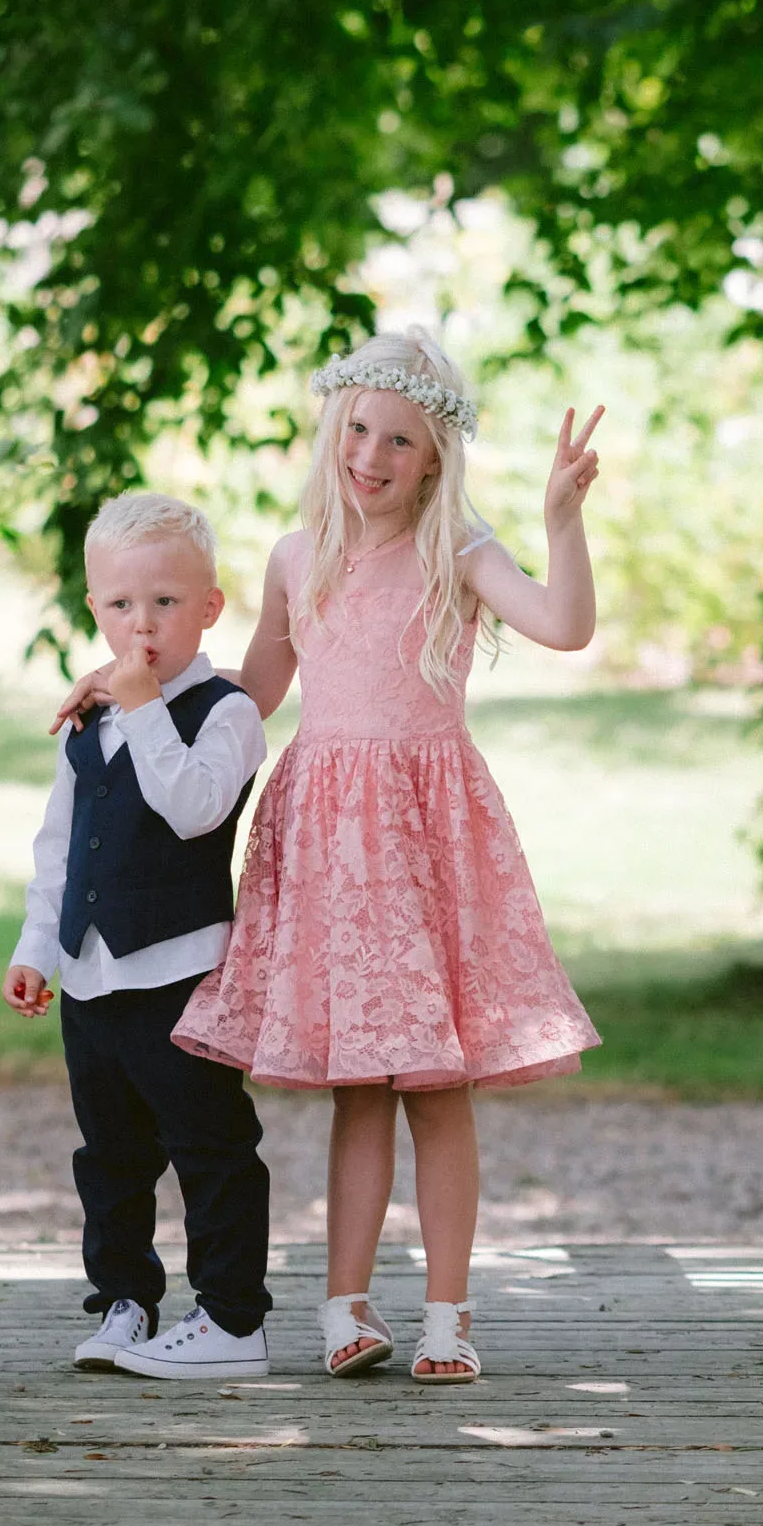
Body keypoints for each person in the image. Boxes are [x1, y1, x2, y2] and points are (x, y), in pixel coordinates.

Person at [55, 328, 603, 1383]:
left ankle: (448, 1315)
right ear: (332, 429)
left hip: (426, 837)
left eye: (400, 439)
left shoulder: (459, 553)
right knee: (361, 1082)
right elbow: (244, 697)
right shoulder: (299, 557)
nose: (372, 455)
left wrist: (561, 523)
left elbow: (566, 625)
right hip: (327, 843)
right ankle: (344, 1310)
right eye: (358, 429)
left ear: (434, 457)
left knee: (437, 1085)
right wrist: (124, 685)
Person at [5, 493, 275, 1380]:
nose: (143, 623)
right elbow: (59, 846)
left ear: (209, 607)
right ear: (95, 608)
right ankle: (124, 1298)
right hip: (89, 974)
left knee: (210, 1145)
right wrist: (37, 949)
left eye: (165, 602)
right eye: (121, 604)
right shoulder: (90, 717)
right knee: (109, 1153)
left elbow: (195, 809)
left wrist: (145, 704)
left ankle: (233, 1318)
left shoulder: (227, 712)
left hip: (182, 974)